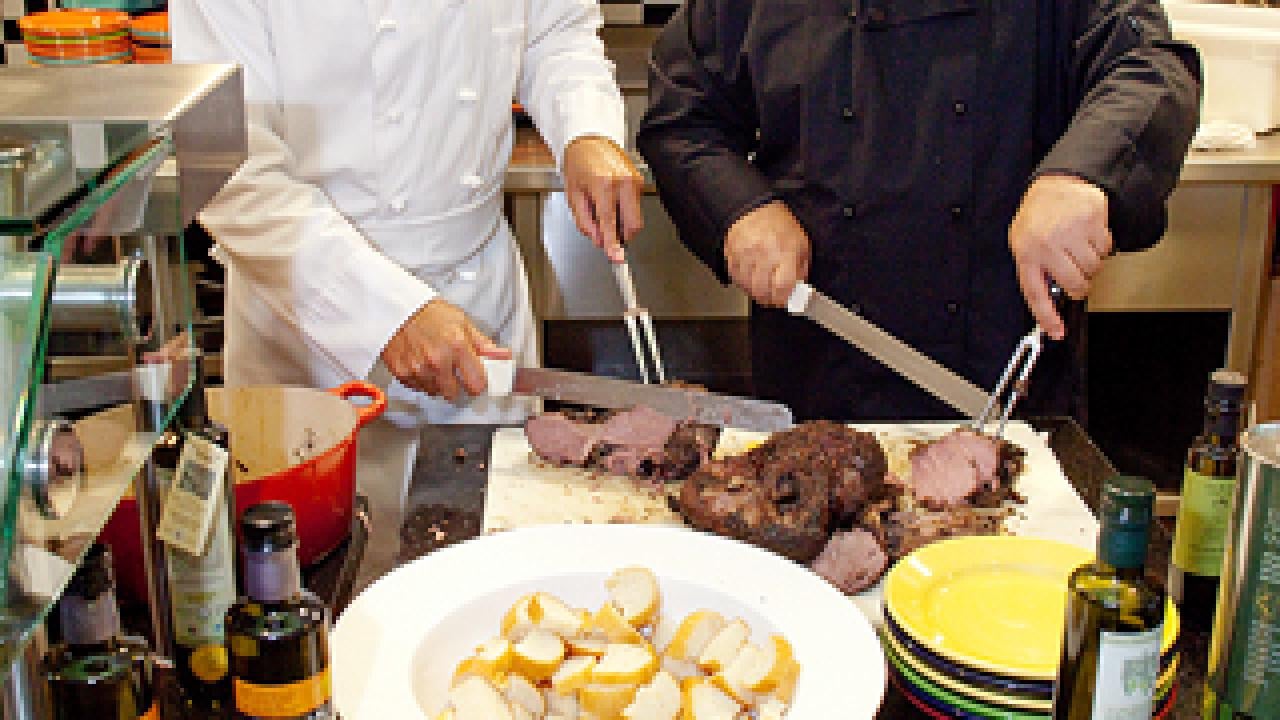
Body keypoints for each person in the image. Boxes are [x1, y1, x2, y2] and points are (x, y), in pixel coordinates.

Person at [637, 1, 1201, 421]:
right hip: (815, 381)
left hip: (1003, 383)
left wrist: (1082, 173)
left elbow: (1150, 66)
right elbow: (683, 117)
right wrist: (739, 209)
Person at [171, 0, 643, 424]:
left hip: (478, 313)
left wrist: (587, 129)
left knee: (500, 512)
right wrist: (387, 313)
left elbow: (556, 32)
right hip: (310, 331)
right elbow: (230, 165)